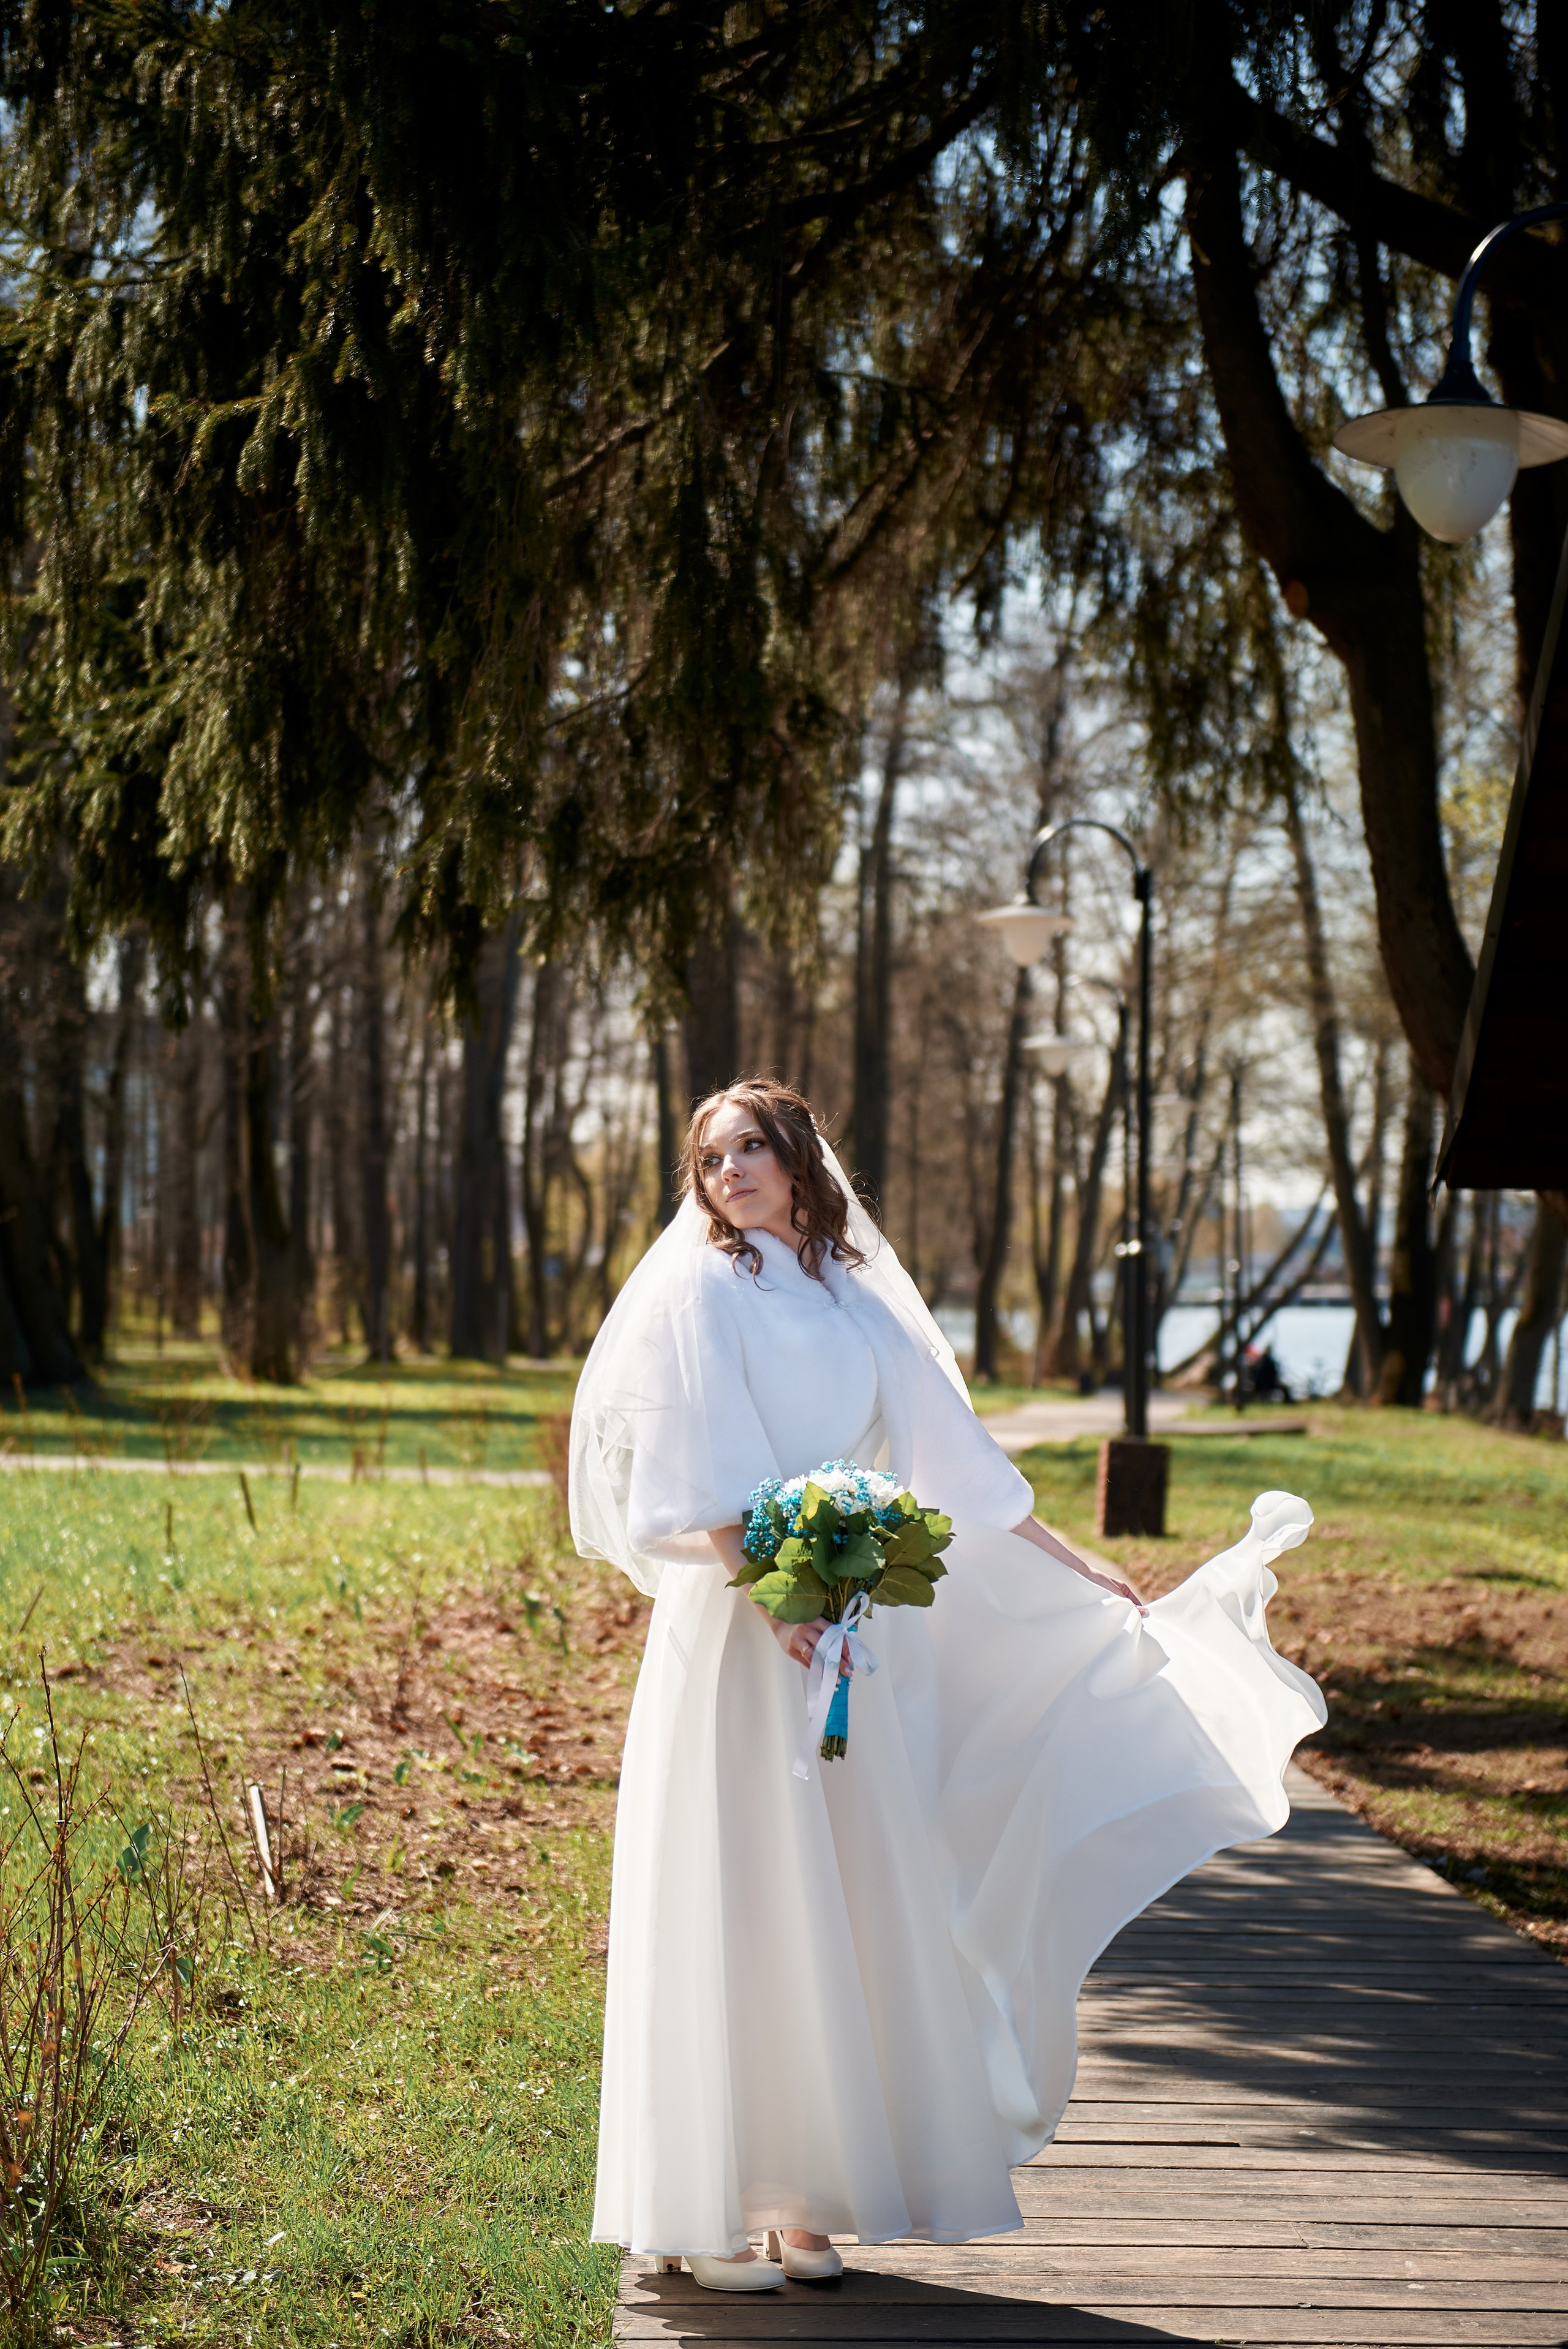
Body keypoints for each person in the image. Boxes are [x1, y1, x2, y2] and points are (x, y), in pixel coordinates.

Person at [570, 1080, 1325, 2290]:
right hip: (742, 1639)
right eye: (710, 1156)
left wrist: (1069, 1557)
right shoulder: (703, 1291)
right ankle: (708, 2205)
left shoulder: (851, 1294)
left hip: (847, 1644)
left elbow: (948, 1460)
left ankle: (805, 2196)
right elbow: (696, 1466)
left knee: (853, 1900)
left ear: (799, 1155)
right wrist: (776, 1598)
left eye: (751, 1147)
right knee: (748, 1890)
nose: (729, 1170)